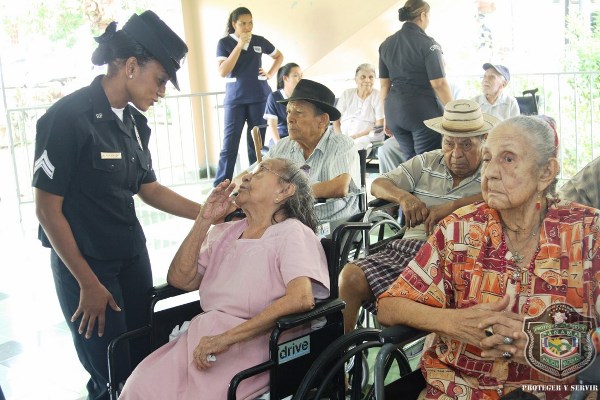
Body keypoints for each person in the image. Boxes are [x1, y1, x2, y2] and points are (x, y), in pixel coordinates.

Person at [32, 11, 201, 400]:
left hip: (131, 257)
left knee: (142, 358)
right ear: (131, 66)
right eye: (160, 80)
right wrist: (87, 282)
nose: (162, 92)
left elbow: (148, 188)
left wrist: (208, 212)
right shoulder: (67, 118)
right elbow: (47, 210)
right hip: (88, 265)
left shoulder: (134, 124)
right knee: (109, 370)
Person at [378, 115, 600, 399]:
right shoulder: (459, 230)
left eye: (508, 159)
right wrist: (453, 322)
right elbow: (389, 306)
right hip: (457, 390)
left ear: (546, 172)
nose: (491, 172)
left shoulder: (588, 233)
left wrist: (545, 347)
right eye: (487, 159)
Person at [118, 159, 330, 399]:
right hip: (202, 339)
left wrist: (226, 339)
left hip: (258, 341)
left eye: (261, 171)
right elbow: (181, 280)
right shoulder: (226, 232)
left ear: (285, 190)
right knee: (138, 387)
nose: (246, 176)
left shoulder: (292, 232)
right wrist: (204, 219)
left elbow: (301, 299)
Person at [339, 100, 498, 332]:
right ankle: (346, 353)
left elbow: (502, 195)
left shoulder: (493, 169)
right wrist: (404, 197)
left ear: (483, 139)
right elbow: (379, 184)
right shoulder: (427, 161)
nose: (456, 153)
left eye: (466, 144)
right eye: (449, 143)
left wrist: (453, 207)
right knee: (350, 276)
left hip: (461, 260)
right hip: (410, 250)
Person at [265, 79, 361, 224]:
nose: (290, 118)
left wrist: (287, 192)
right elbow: (257, 172)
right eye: (289, 111)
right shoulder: (282, 146)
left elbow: (339, 187)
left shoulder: (341, 144)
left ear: (322, 120)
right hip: (292, 225)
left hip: (334, 226)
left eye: (298, 112)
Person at [214, 7, 284, 186]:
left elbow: (279, 56)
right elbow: (222, 71)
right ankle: (220, 187)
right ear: (234, 24)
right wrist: (239, 45)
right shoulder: (224, 43)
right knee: (229, 146)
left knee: (256, 145)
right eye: (243, 23)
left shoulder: (259, 41)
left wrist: (270, 73)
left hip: (259, 97)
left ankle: (255, 184)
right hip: (235, 100)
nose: (247, 27)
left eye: (250, 23)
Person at [379, 0, 453, 165]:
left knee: (410, 164)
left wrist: (386, 116)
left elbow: (384, 85)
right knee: (428, 165)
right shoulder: (429, 44)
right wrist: (454, 112)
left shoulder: (385, 44)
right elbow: (439, 84)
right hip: (422, 112)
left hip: (394, 112)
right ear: (423, 15)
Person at [333, 63, 384, 150]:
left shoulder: (379, 96)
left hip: (367, 137)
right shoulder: (347, 94)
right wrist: (340, 137)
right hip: (342, 136)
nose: (367, 80)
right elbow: (336, 120)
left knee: (355, 147)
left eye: (371, 77)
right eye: (363, 77)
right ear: (356, 80)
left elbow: (380, 125)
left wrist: (355, 137)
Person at [263, 62, 302, 147]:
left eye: (301, 75)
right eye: (296, 75)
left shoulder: (304, 96)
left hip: (301, 138)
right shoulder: (274, 97)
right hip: (281, 138)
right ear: (285, 78)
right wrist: (279, 145)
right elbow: (272, 125)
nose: (300, 79)